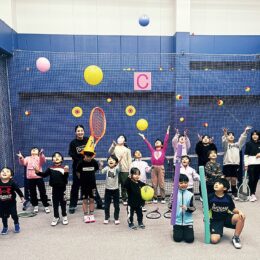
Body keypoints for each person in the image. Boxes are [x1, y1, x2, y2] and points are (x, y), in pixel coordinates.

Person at [68, 125, 102, 214]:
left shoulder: (88, 140)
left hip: (89, 167)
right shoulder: (73, 143)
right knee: (75, 186)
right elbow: (72, 155)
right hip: (78, 167)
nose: (80, 132)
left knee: (92, 186)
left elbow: (92, 151)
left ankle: (99, 203)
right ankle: (72, 205)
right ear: (75, 132)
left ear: (84, 131)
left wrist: (89, 158)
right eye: (78, 131)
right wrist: (83, 159)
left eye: (81, 130)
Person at [209, 178, 246, 249]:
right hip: (215, 220)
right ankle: (218, 230)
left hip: (226, 218)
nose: (216, 184)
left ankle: (236, 238)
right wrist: (206, 218)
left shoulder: (228, 198)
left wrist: (239, 212)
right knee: (214, 240)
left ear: (225, 188)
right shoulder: (210, 197)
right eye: (216, 183)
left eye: (219, 184)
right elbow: (206, 209)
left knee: (241, 216)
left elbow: (233, 209)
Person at [35, 152, 69, 226]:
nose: (56, 157)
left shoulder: (64, 168)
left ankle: (64, 216)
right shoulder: (50, 168)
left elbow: (65, 180)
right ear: (52, 160)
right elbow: (43, 175)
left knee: (63, 203)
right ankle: (56, 217)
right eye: (54, 156)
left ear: (62, 159)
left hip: (63, 190)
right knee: (55, 204)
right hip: (54, 190)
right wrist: (37, 172)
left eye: (58, 156)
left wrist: (66, 173)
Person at [138, 125, 170, 204]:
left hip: (161, 167)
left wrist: (167, 132)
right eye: (156, 142)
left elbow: (166, 141)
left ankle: (163, 197)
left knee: (161, 183)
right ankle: (155, 197)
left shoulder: (163, 150)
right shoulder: (152, 151)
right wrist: (144, 137)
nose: (156, 142)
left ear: (162, 145)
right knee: (154, 183)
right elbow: (148, 144)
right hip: (153, 168)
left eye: (158, 141)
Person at [17, 148, 50, 213]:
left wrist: (41, 155)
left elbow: (43, 161)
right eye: (32, 149)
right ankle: (35, 205)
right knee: (32, 193)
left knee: (42, 192)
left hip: (39, 177)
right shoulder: (27, 158)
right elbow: (23, 163)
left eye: (35, 149)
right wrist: (21, 157)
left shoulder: (39, 157)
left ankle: (46, 205)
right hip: (30, 178)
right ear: (30, 152)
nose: (33, 150)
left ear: (38, 152)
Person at [222, 126, 251, 199]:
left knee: (234, 179)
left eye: (232, 135)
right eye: (229, 135)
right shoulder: (226, 145)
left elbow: (242, 139)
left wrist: (245, 132)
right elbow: (224, 141)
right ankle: (224, 193)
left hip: (235, 165)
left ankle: (234, 193)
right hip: (227, 164)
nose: (231, 136)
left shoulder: (238, 145)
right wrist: (225, 134)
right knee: (227, 179)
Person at [168, 174, 195, 243]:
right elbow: (169, 206)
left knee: (189, 239)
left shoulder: (190, 195)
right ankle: (177, 229)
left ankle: (187, 230)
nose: (183, 184)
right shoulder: (174, 194)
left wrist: (187, 208)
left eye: (185, 183)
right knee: (177, 239)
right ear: (177, 183)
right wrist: (171, 202)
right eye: (181, 183)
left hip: (188, 221)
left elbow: (193, 208)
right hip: (177, 221)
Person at [108, 134, 132, 205]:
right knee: (114, 184)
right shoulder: (115, 147)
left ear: (124, 140)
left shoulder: (127, 150)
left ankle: (124, 199)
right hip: (115, 169)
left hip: (125, 170)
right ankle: (115, 199)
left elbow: (129, 160)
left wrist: (130, 171)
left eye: (122, 137)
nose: (120, 138)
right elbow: (110, 152)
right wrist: (113, 145)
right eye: (119, 137)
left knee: (124, 186)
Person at [77, 150, 99, 223]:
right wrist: (82, 180)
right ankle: (86, 215)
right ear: (84, 155)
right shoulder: (80, 163)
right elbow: (77, 172)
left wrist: (101, 165)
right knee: (85, 200)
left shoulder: (94, 162)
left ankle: (91, 214)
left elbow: (96, 169)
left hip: (93, 185)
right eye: (87, 156)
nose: (89, 158)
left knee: (92, 199)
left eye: (90, 156)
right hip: (84, 185)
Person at [0, 167, 24, 235]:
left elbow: (18, 190)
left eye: (7, 171)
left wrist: (22, 197)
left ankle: (16, 224)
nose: (4, 172)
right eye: (2, 171)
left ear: (10, 176)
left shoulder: (12, 183)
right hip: (1, 204)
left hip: (11, 203)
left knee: (14, 215)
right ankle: (5, 227)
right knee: (4, 216)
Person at [100, 155, 120, 225]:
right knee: (106, 205)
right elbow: (101, 172)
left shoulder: (116, 169)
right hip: (107, 190)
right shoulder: (106, 168)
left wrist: (118, 163)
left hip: (116, 190)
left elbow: (119, 169)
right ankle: (106, 217)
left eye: (113, 160)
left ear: (116, 163)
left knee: (116, 205)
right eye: (109, 159)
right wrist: (101, 166)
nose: (111, 161)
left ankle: (116, 218)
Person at [244, 130, 260, 202]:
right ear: (251, 136)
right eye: (253, 134)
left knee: (256, 179)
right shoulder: (248, 143)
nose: (255, 136)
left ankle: (253, 193)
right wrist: (246, 164)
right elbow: (246, 155)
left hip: (258, 164)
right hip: (251, 164)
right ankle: (249, 194)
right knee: (251, 179)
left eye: (256, 134)